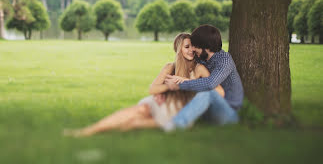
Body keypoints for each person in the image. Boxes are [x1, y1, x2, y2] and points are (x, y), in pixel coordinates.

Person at [63, 33, 224, 137]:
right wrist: (169, 87)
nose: (190, 51)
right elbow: (152, 89)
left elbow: (219, 91)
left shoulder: (199, 68)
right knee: (139, 110)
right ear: (179, 50)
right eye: (186, 47)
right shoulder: (170, 67)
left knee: (134, 123)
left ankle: (108, 134)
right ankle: (88, 131)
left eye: (192, 47)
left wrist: (189, 84)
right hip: (162, 102)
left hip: (178, 112)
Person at [161, 24, 244, 131]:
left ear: (205, 47)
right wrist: (164, 90)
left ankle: (176, 125)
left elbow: (210, 84)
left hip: (228, 113)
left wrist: (180, 85)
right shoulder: (202, 59)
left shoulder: (224, 61)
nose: (193, 49)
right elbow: (183, 64)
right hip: (206, 110)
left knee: (209, 92)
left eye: (195, 45)